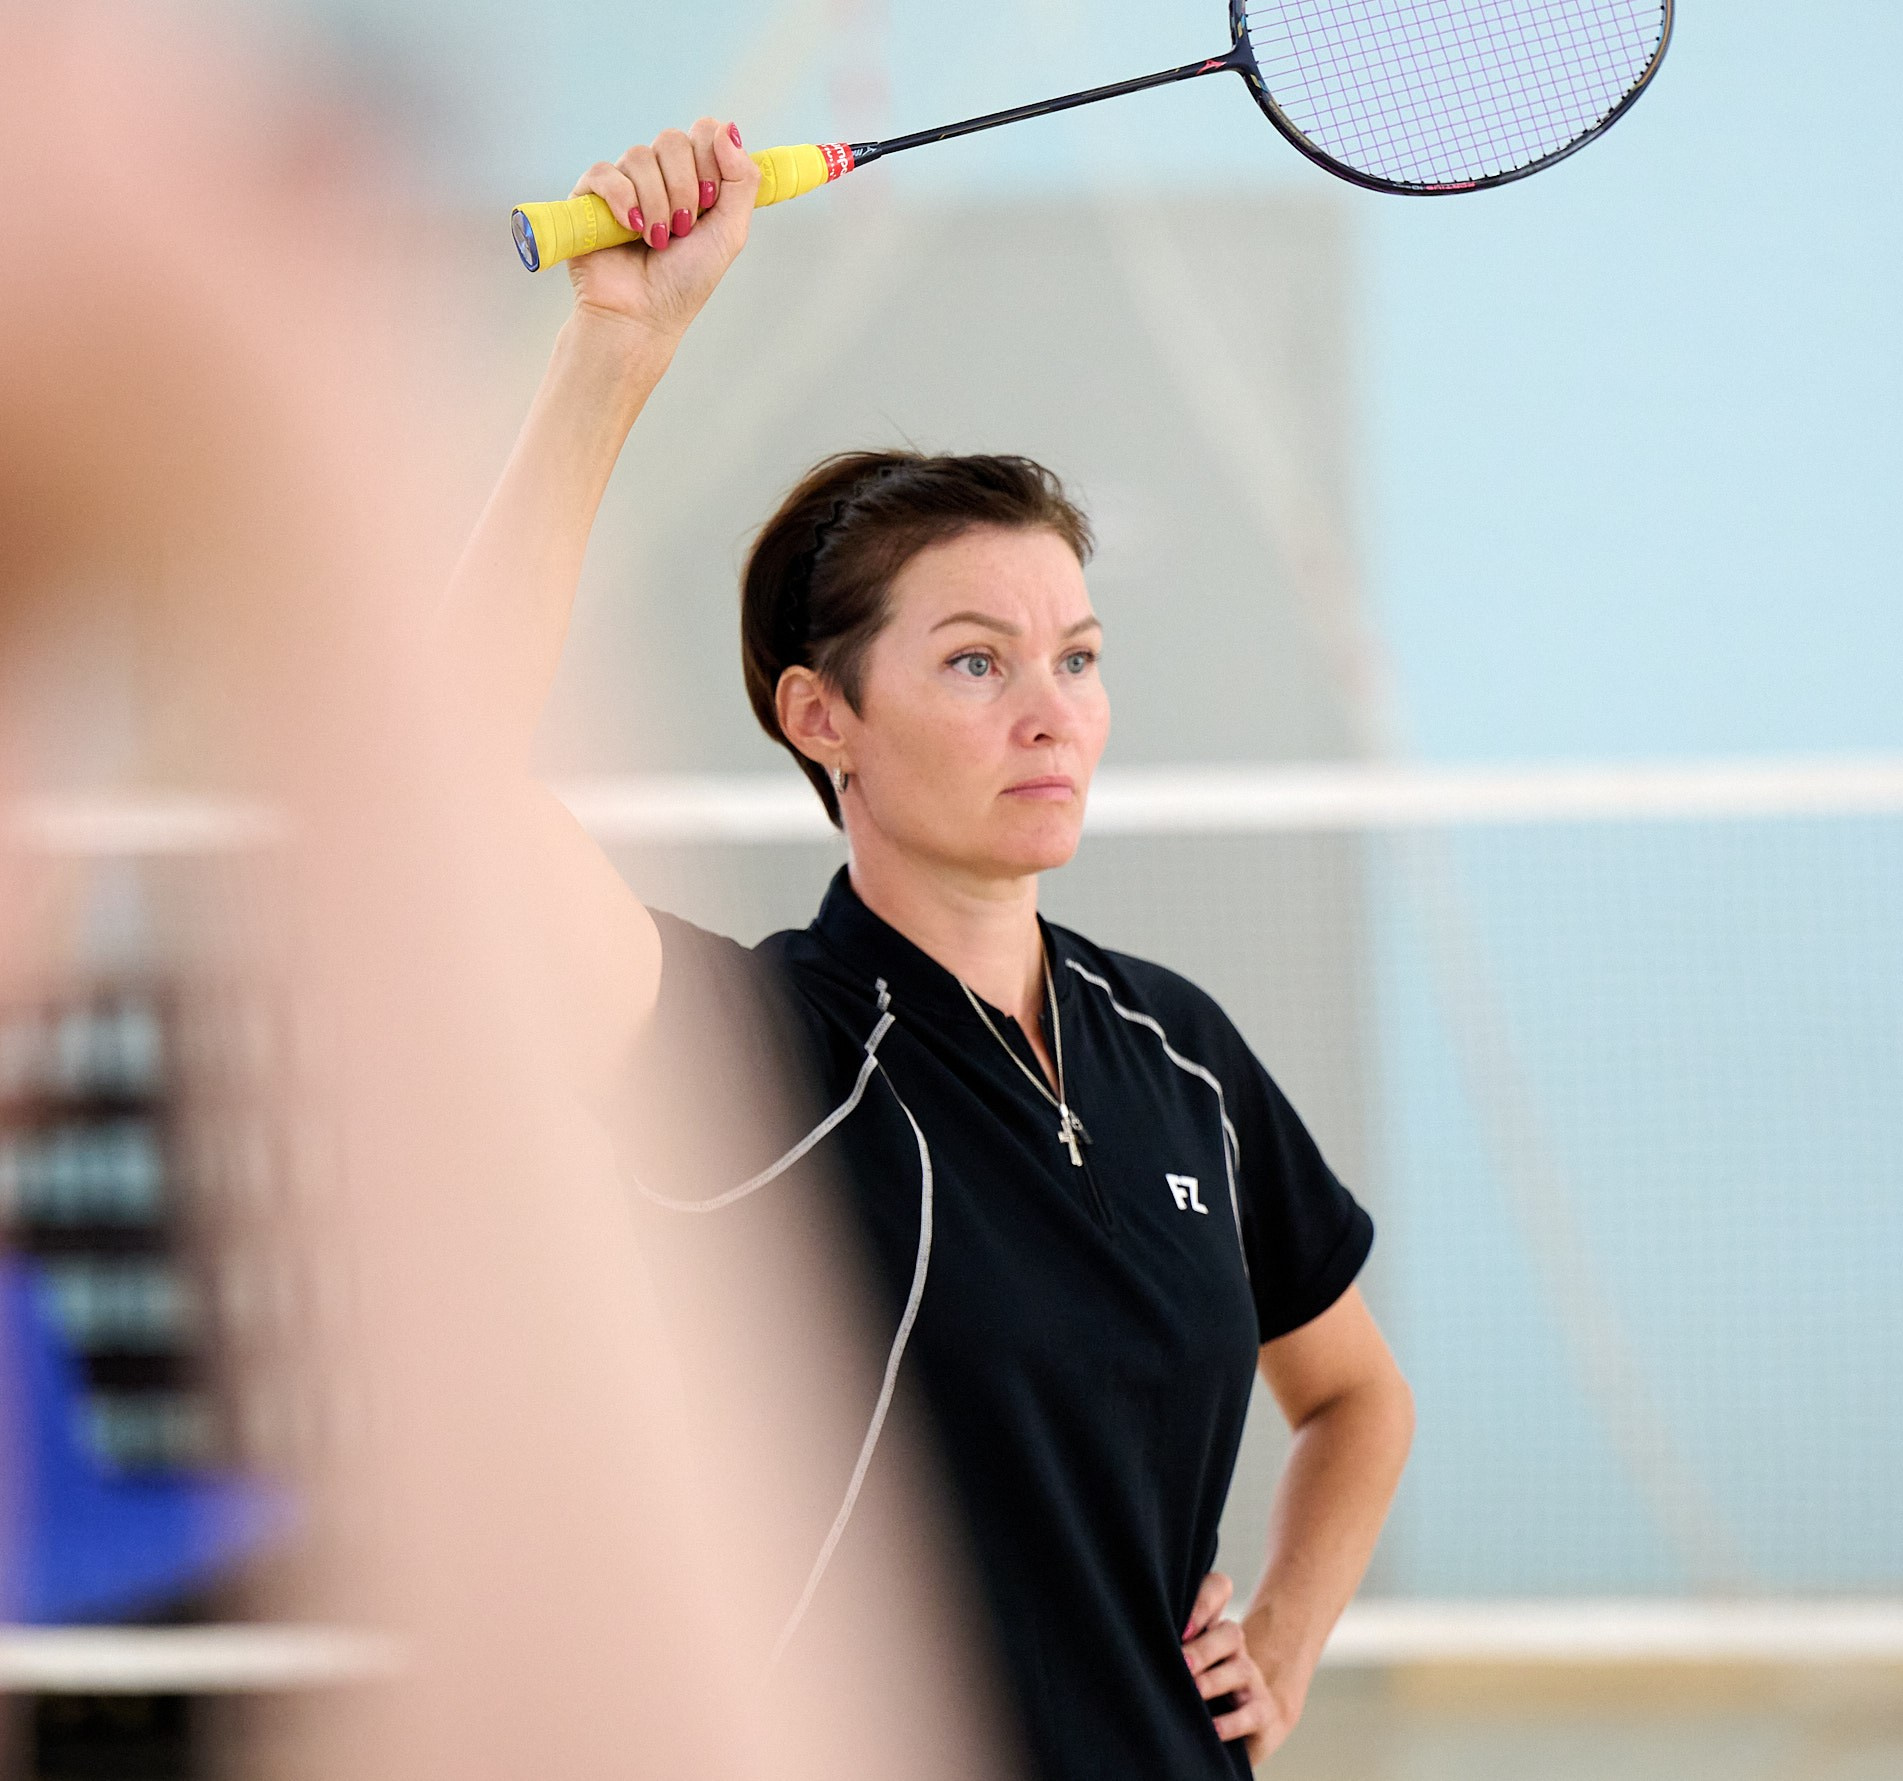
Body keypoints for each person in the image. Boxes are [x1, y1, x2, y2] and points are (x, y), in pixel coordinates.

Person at [442, 118, 1415, 1779]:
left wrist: (1286, 1641)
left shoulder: (1177, 1051)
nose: (1055, 711)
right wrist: (618, 348)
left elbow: (1354, 1397)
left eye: (1080, 655)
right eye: (976, 662)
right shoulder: (758, 1048)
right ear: (823, 718)